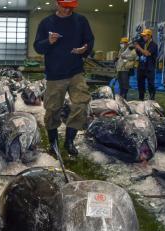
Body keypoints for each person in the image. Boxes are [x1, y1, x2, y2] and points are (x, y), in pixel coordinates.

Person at [33, 0, 94, 156]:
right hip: (55, 74)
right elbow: (38, 47)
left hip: (75, 71)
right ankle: (54, 144)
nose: (67, 10)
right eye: (64, 6)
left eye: (70, 7)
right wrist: (49, 41)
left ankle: (69, 141)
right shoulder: (47, 23)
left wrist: (84, 49)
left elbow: (89, 41)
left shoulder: (81, 20)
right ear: (57, 4)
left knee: (81, 104)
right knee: (52, 110)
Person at [135, 29, 158, 101]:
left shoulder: (154, 45)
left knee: (151, 84)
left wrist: (139, 48)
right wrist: (137, 48)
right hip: (141, 67)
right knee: (140, 83)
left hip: (149, 68)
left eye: (144, 36)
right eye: (143, 36)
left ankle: (152, 99)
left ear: (149, 36)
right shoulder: (143, 44)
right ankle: (141, 98)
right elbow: (139, 54)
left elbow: (147, 53)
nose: (143, 37)